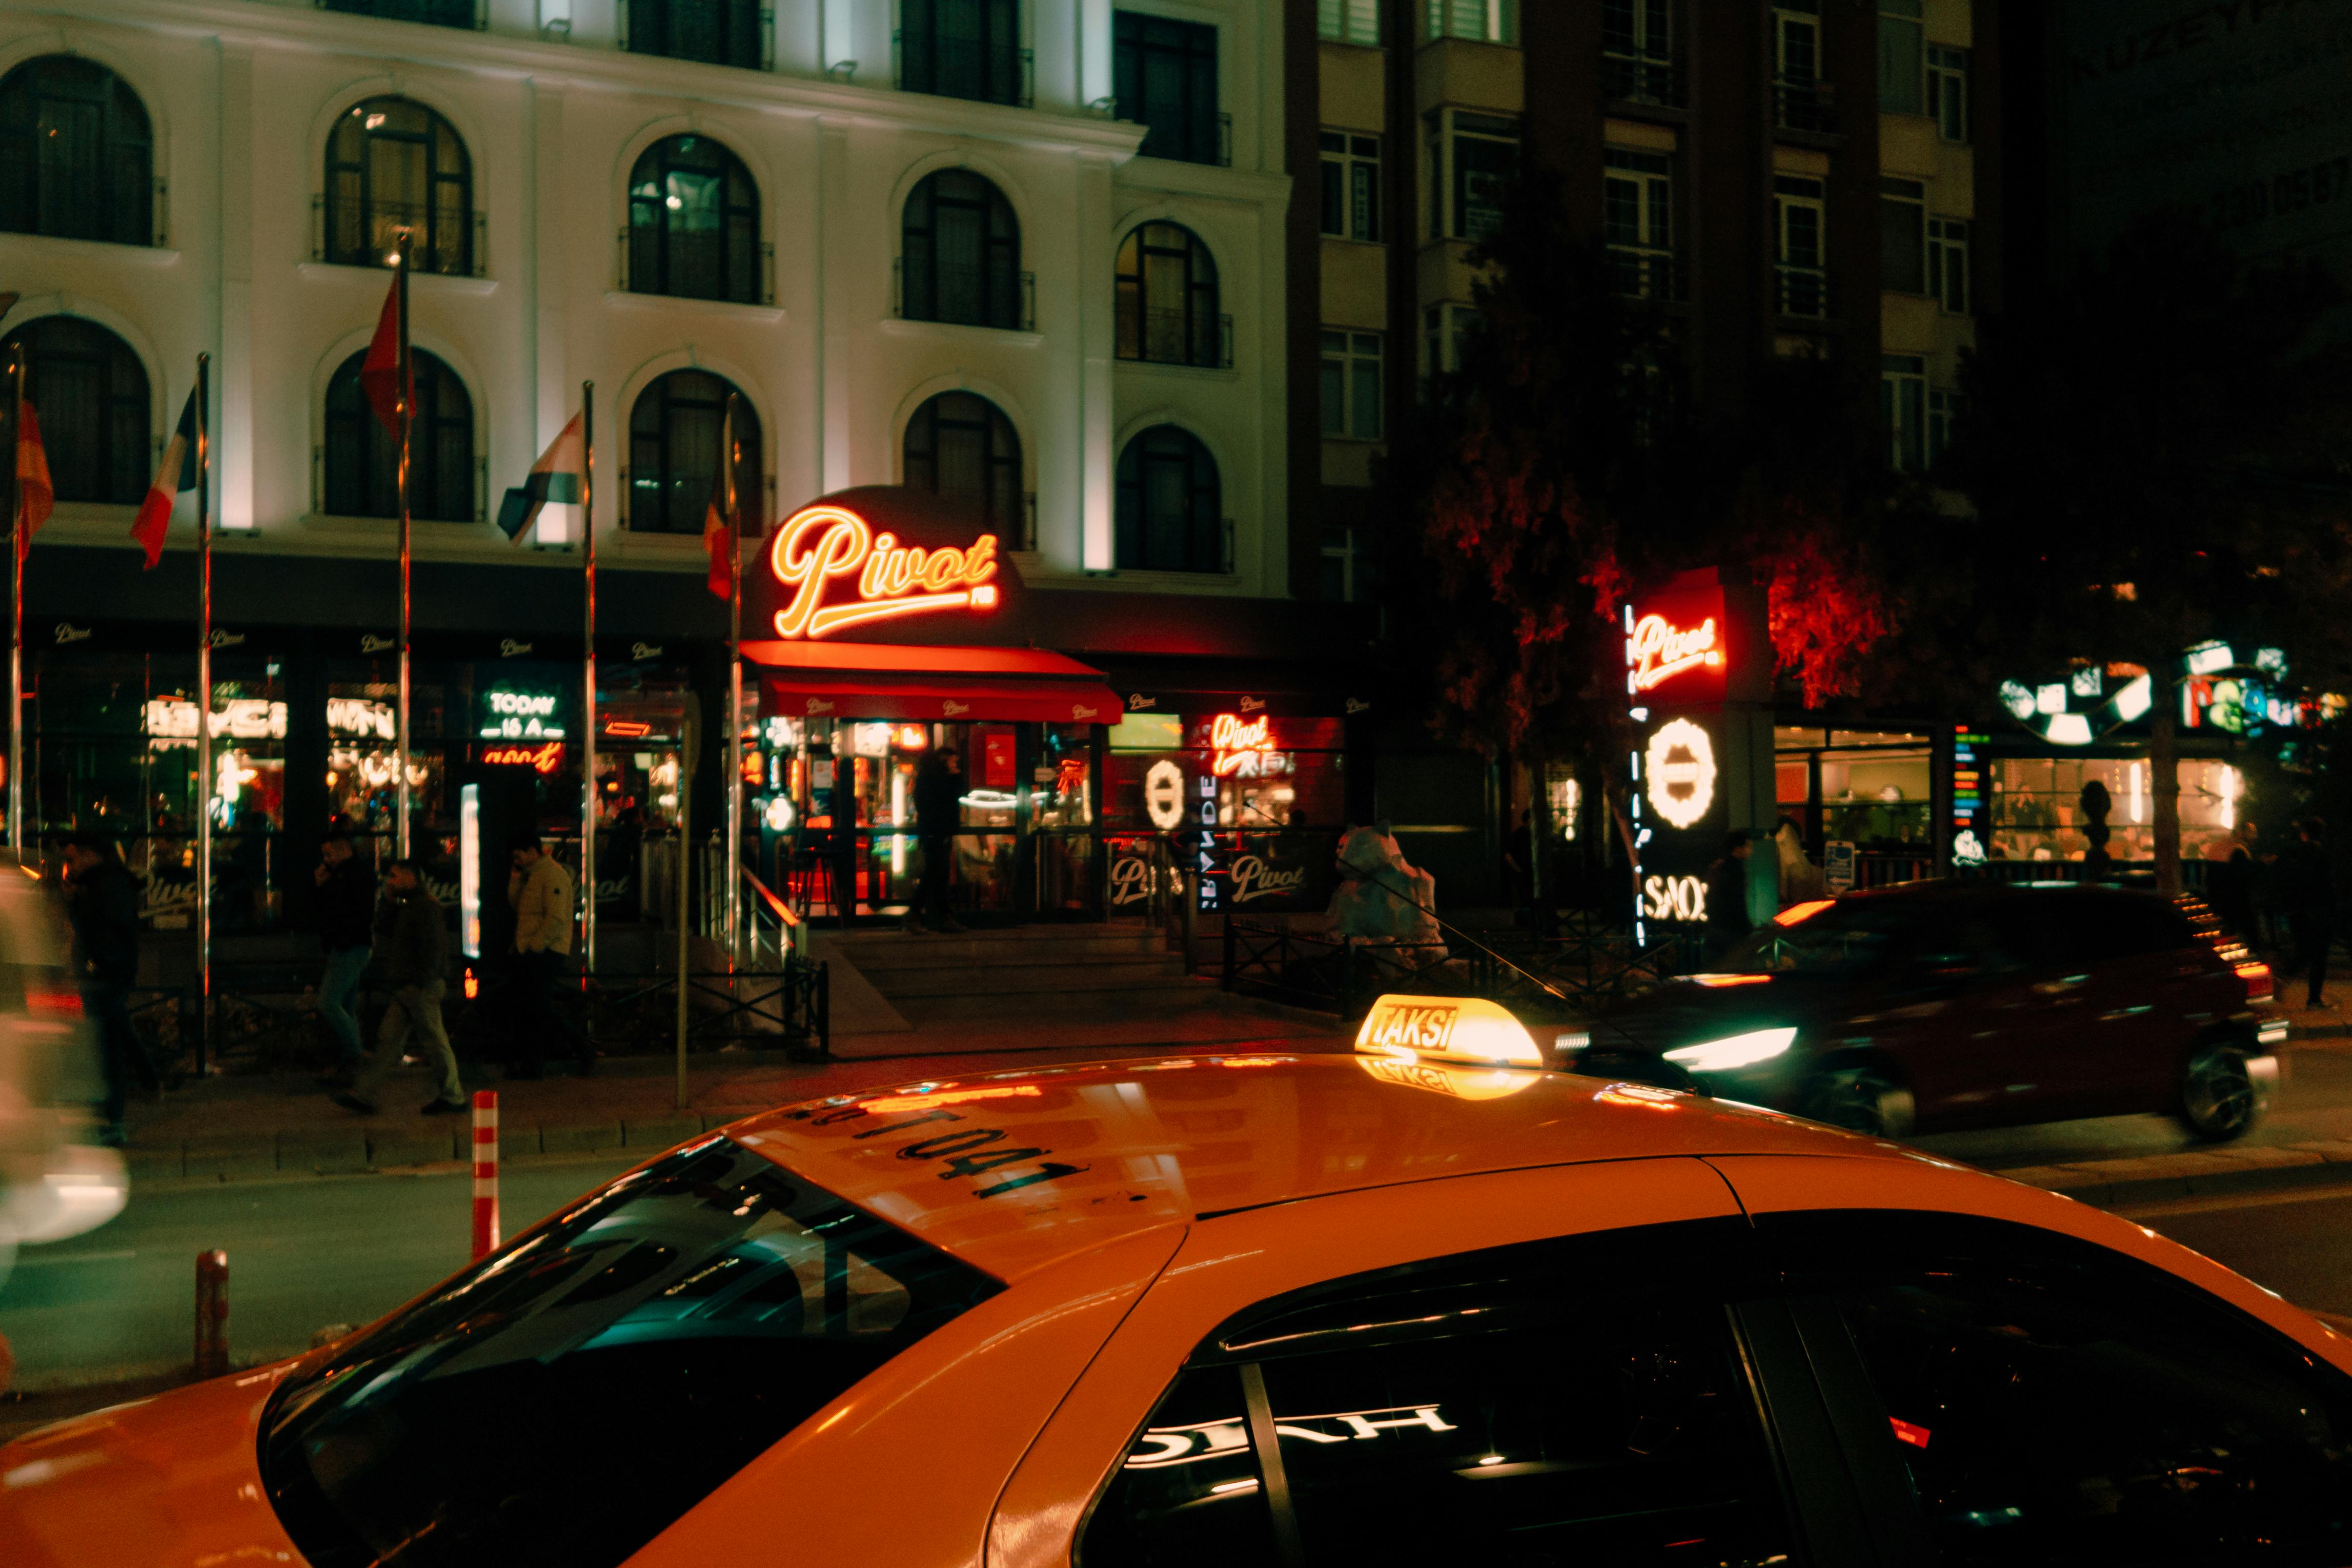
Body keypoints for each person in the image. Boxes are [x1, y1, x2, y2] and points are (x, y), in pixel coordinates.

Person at [336, 859, 462, 1116]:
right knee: (389, 1041)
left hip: (417, 987)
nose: (389, 881)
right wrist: (388, 900)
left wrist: (420, 982)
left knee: (432, 1042)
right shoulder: (410, 905)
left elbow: (432, 950)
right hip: (409, 986)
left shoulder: (425, 907)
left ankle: (453, 1096)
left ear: (410, 878)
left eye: (394, 876)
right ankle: (363, 1093)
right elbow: (383, 927)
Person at [60, 832, 144, 1147]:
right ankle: (121, 1107)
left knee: (107, 1045)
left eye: (74, 858)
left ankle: (114, 1118)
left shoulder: (109, 884)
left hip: (105, 976)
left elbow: (109, 930)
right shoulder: (99, 884)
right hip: (104, 974)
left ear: (92, 854)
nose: (71, 866)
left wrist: (98, 963)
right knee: (111, 1038)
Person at [508, 833, 583, 1078]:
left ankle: (570, 1051)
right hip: (535, 950)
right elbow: (518, 905)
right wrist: (516, 879)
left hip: (545, 952)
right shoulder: (533, 874)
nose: (516, 859)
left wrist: (536, 945)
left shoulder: (552, 874)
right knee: (536, 1007)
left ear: (532, 851)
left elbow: (556, 918)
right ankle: (576, 1050)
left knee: (536, 1007)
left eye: (519, 854)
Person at [312, 831, 377, 1086]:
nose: (326, 859)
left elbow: (343, 910)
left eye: (329, 853)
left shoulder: (353, 875)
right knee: (345, 1006)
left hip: (349, 946)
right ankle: (351, 1066)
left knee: (328, 1003)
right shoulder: (351, 874)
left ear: (343, 849)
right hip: (347, 946)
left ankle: (355, 1055)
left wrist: (325, 886)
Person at [2278, 818, 2336, 1010]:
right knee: (2318, 956)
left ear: (2304, 834)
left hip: (2297, 910)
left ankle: (2281, 979)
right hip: (2317, 911)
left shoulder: (2295, 854)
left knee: (2304, 951)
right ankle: (2313, 998)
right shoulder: (2321, 855)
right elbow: (2326, 887)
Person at [908, 750, 966, 934]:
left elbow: (958, 793)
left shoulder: (932, 778)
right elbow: (950, 798)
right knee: (933, 874)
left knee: (939, 875)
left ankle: (941, 917)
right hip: (936, 833)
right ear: (943, 761)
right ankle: (915, 915)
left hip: (939, 833)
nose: (955, 765)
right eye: (952, 761)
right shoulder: (934, 780)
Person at [1705, 831, 1755, 960]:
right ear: (1738, 848)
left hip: (1715, 928)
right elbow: (1737, 901)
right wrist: (1746, 926)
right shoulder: (1736, 870)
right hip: (1732, 931)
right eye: (1748, 847)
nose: (1751, 851)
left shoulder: (1718, 867)